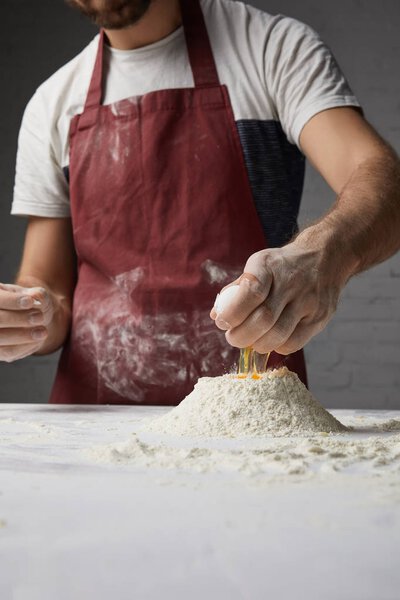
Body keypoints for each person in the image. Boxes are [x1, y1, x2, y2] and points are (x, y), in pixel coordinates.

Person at [1, 0, 399, 404]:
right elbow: (47, 286)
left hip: (251, 410)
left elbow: (382, 180)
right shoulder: (51, 104)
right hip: (95, 422)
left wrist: (320, 256)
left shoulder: (270, 49)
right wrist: (31, 315)